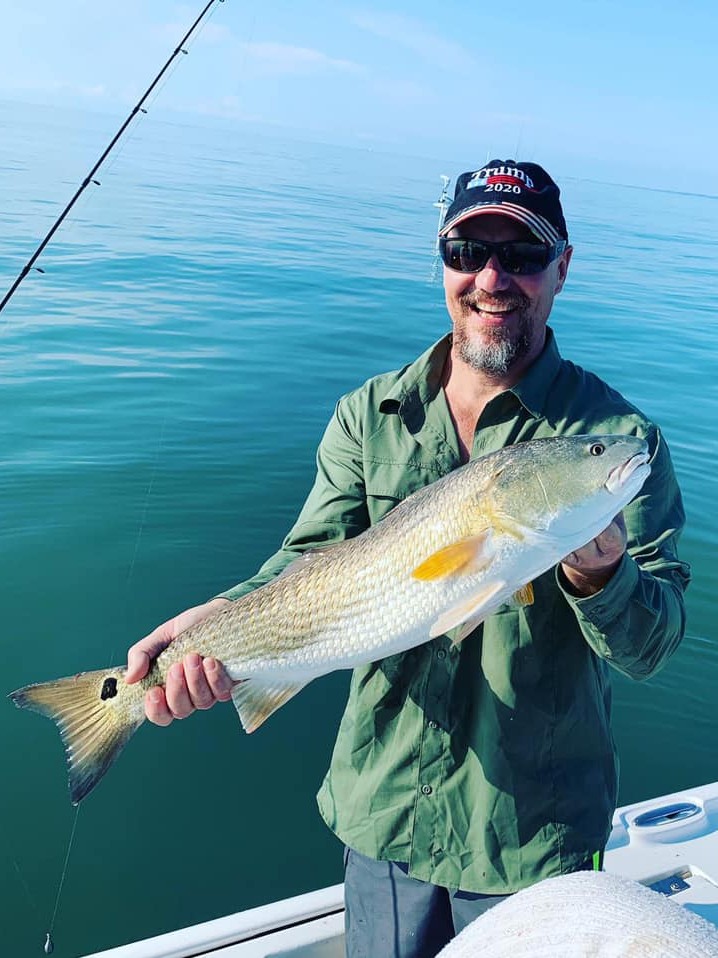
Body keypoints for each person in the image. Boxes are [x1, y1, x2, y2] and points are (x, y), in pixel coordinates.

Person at [125, 160, 690, 957]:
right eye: (468, 251)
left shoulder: (620, 442)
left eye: (524, 256)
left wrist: (602, 574)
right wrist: (217, 624)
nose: (493, 278)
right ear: (443, 263)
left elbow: (653, 646)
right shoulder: (370, 414)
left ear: (563, 267)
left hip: (531, 840)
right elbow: (307, 563)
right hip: (384, 819)